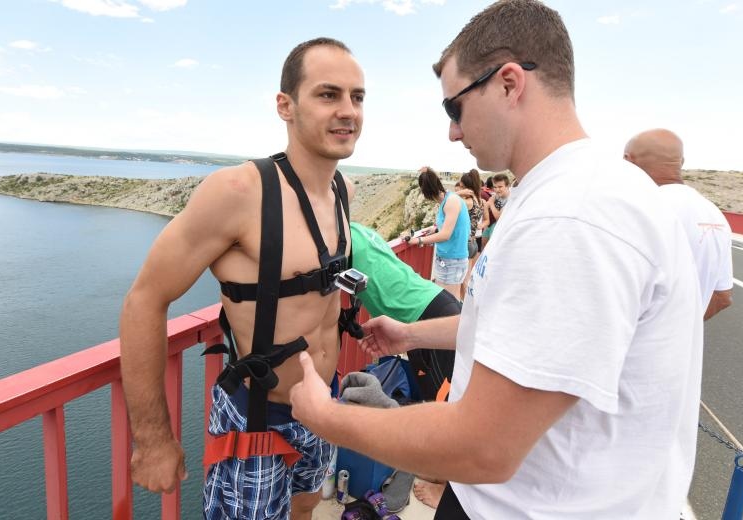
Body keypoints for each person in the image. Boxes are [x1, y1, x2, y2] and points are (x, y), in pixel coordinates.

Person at [289, 2, 702, 520]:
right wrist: (412, 335)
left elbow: (484, 446)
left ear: (509, 84)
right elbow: (512, 327)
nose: (452, 132)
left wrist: (325, 417)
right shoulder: (567, 192)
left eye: (454, 107)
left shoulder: (570, 217)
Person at [119, 37, 364, 520]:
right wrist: (152, 440)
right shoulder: (238, 192)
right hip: (258, 418)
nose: (348, 111)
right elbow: (143, 300)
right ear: (285, 106)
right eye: (328, 94)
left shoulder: (343, 190)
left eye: (357, 97)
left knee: (306, 506)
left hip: (323, 403)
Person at [624, 128, 733, 320]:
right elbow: (723, 297)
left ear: (628, 161)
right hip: (687, 340)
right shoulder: (715, 214)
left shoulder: (639, 207)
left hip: (635, 338)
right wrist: (685, 330)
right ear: (681, 162)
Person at [350, 221, 459, 401]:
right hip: (434, 301)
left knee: (442, 400)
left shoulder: (337, 239)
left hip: (423, 315)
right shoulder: (357, 230)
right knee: (438, 395)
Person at [411, 166, 471, 299]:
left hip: (452, 260)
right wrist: (436, 229)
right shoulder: (447, 200)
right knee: (448, 302)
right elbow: (451, 226)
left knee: (450, 303)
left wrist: (419, 240)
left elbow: (445, 235)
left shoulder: (451, 201)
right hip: (447, 260)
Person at [454, 172, 485, 299]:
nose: (460, 189)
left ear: (467, 187)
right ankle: (465, 304)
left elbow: (447, 200)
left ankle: (467, 305)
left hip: (464, 244)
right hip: (473, 243)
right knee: (466, 278)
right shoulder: (480, 200)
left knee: (461, 281)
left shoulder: (467, 202)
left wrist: (458, 193)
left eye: (462, 187)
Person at [481, 172, 510, 244]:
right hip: (491, 224)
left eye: (500, 187)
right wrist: (486, 220)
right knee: (483, 244)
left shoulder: (510, 199)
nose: (497, 190)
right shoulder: (496, 195)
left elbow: (499, 217)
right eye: (495, 187)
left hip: (501, 227)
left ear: (507, 186)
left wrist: (491, 204)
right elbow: (485, 206)